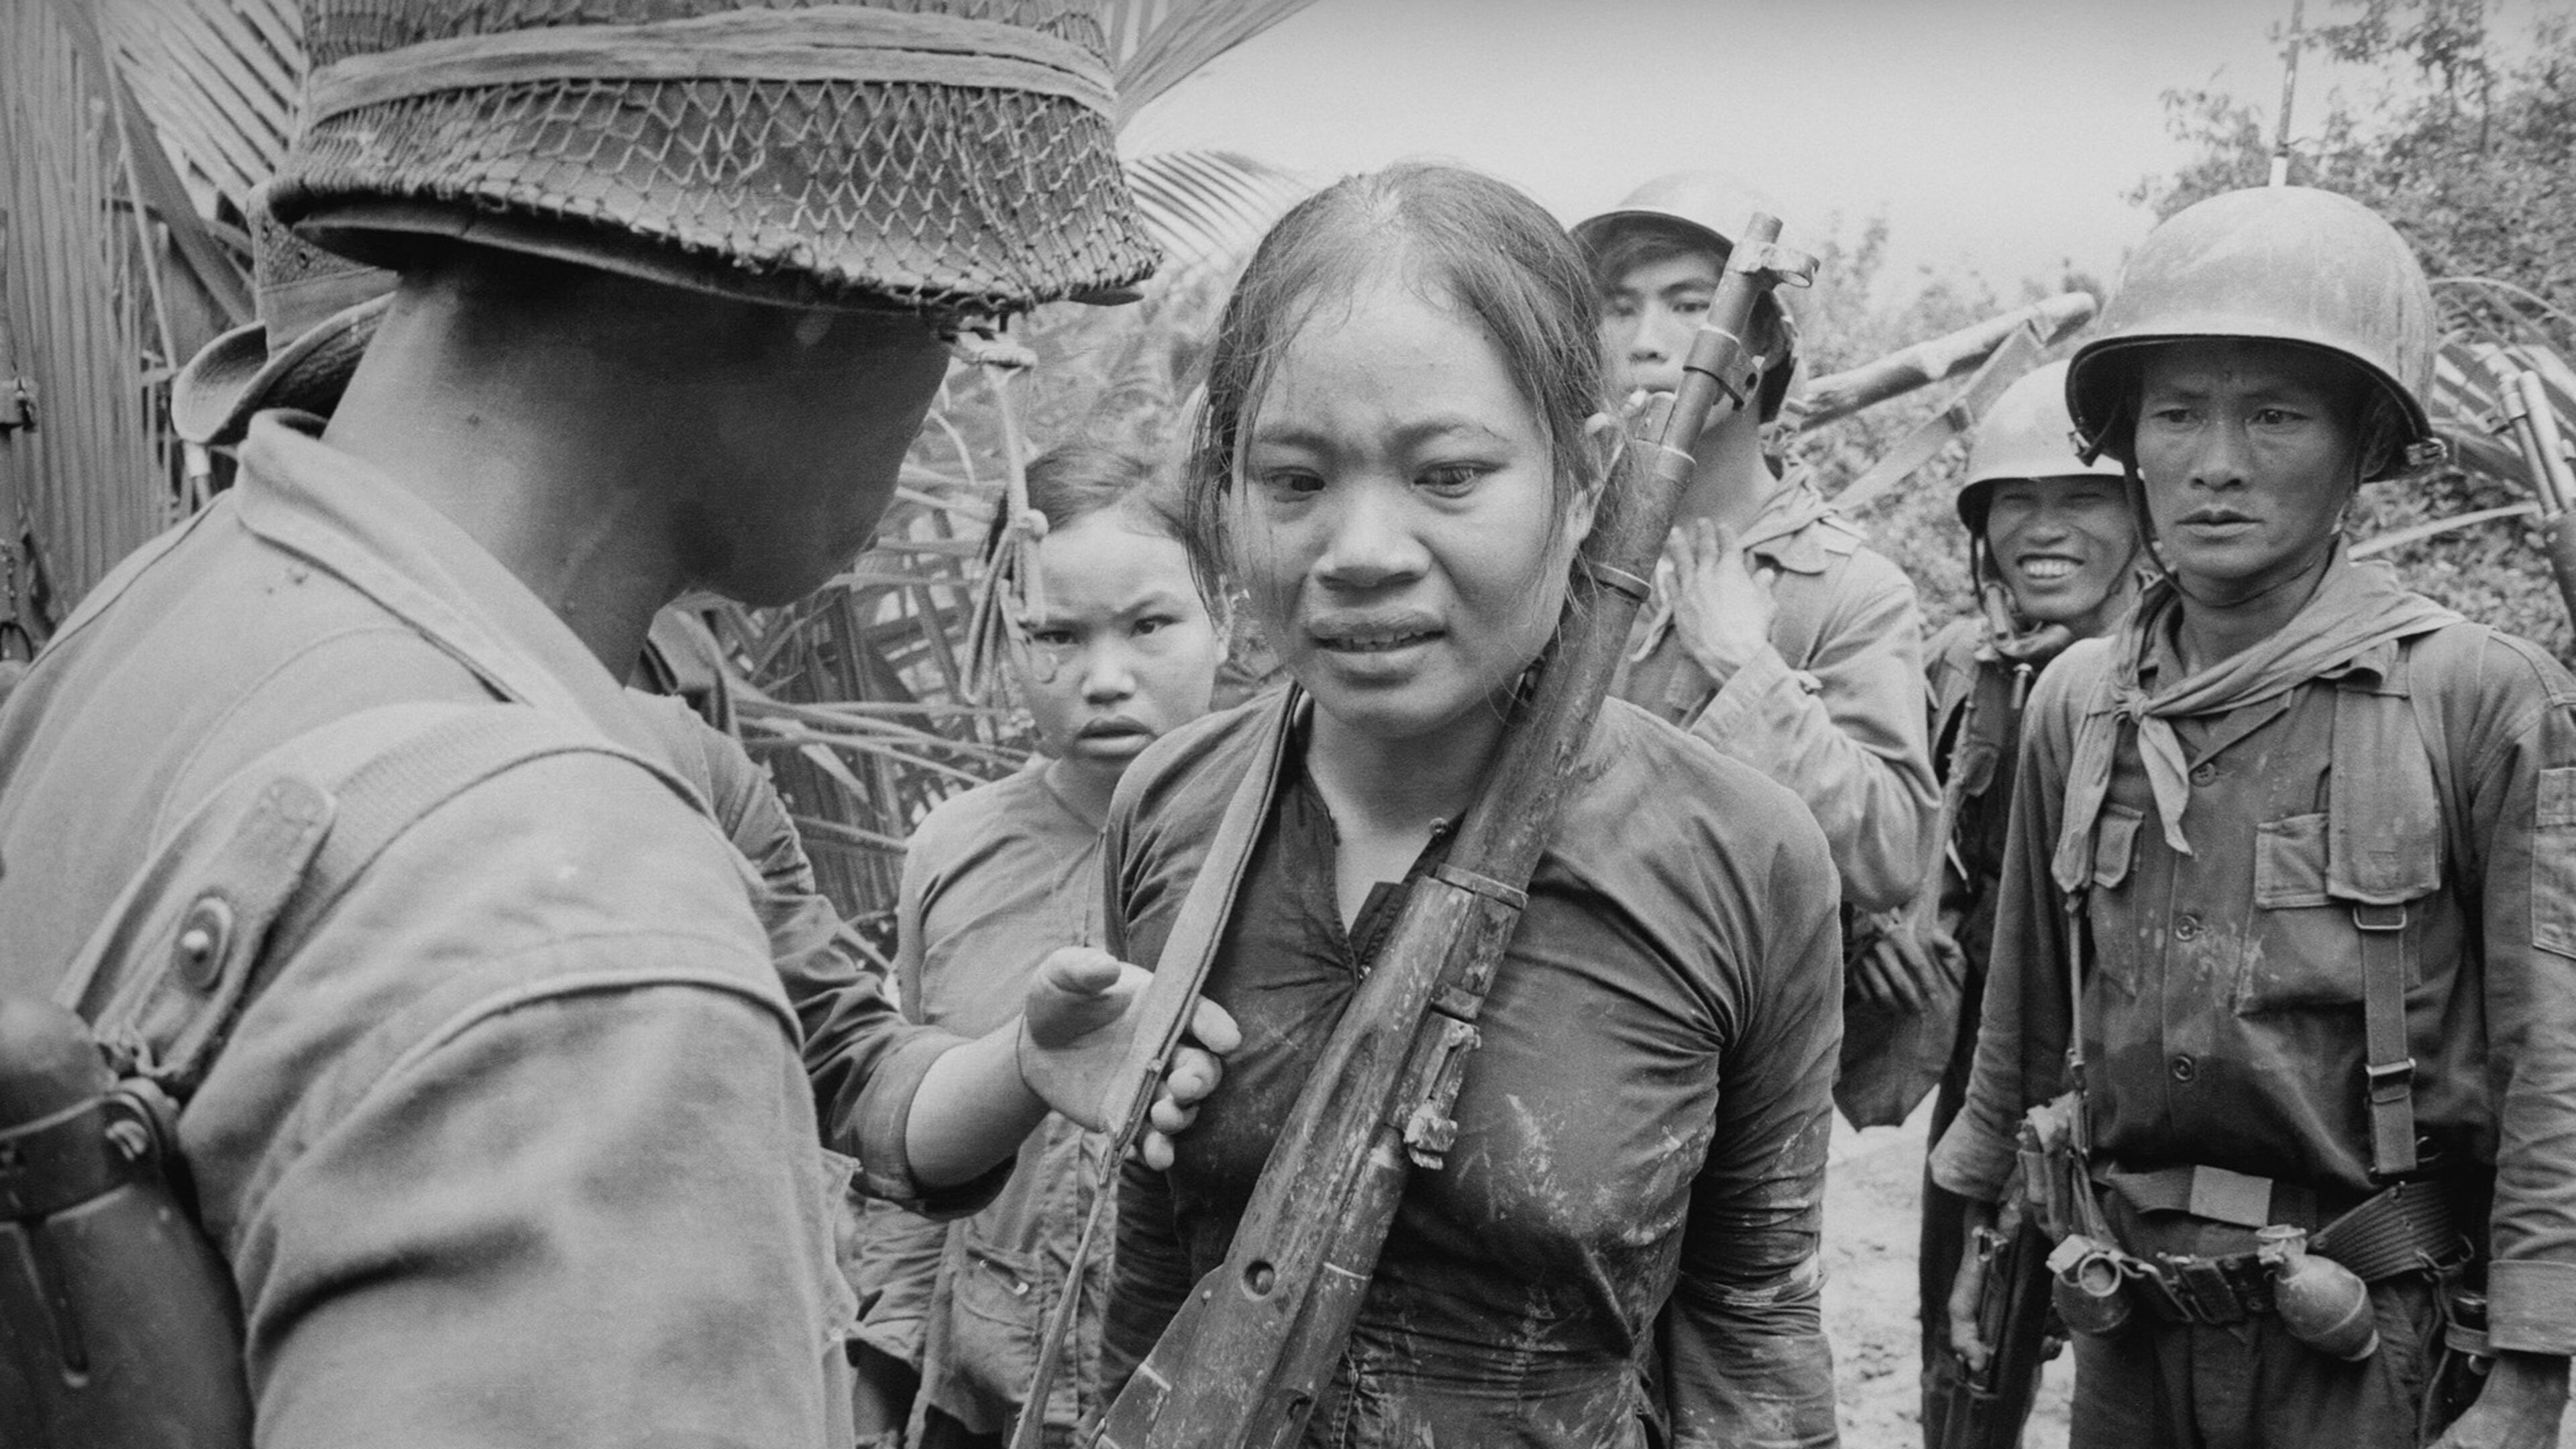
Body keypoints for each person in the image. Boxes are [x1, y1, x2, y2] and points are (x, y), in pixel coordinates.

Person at [0, 4, 1234, 1444]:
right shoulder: (573, 921)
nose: (942, 387)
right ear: (815, 291)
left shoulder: (152, 621)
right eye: (959, 318)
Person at [1099, 162, 1842, 1448]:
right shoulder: (1174, 811)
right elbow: (1147, 1296)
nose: (1363, 550)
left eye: (1448, 475)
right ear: (1227, 490)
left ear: (1584, 474)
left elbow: (1753, 1333)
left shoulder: (1741, 857)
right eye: (1293, 481)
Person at [1932, 185, 2576, 1449]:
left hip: (2369, 1333)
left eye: (2274, 415)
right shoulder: (2082, 701)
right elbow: (2025, 1024)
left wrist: (2532, 1375)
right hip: (2131, 1318)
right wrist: (1993, 1237)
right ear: (2130, 443)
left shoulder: (2479, 698)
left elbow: (2555, 1063)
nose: (2216, 461)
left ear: (2366, 446)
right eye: (2177, 415)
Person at [851, 443, 1225, 1448]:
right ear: (1002, 639)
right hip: (981, 1395)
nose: (1105, 679)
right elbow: (911, 1125)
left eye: (1150, 627)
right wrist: (881, 1380)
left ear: (1225, 617)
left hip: (1197, 1400)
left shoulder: (1295, 840)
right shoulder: (953, 848)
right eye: (1054, 635)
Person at [1574, 172, 1937, 922]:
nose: (1647, 344)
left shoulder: (1849, 590)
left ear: (1764, 340)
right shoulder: (1556, 548)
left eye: (1691, 307)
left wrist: (1747, 670)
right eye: (1619, 310)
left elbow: (1891, 854)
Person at [1902, 359, 2145, 1448]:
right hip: (1990, 1071)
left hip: (2143, 1081)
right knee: (1963, 1372)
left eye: (2083, 497)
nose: (2044, 529)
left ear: (2141, 511)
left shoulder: (2177, 677)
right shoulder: (1965, 666)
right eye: (2017, 501)